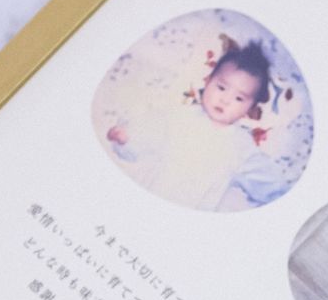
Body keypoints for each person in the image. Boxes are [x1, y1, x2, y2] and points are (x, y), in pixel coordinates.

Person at [105, 40, 272, 210]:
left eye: (239, 98)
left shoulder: (242, 146)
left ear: (249, 109)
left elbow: (267, 182)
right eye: (221, 88)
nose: (225, 100)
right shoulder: (179, 117)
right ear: (208, 82)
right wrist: (126, 139)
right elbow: (148, 134)